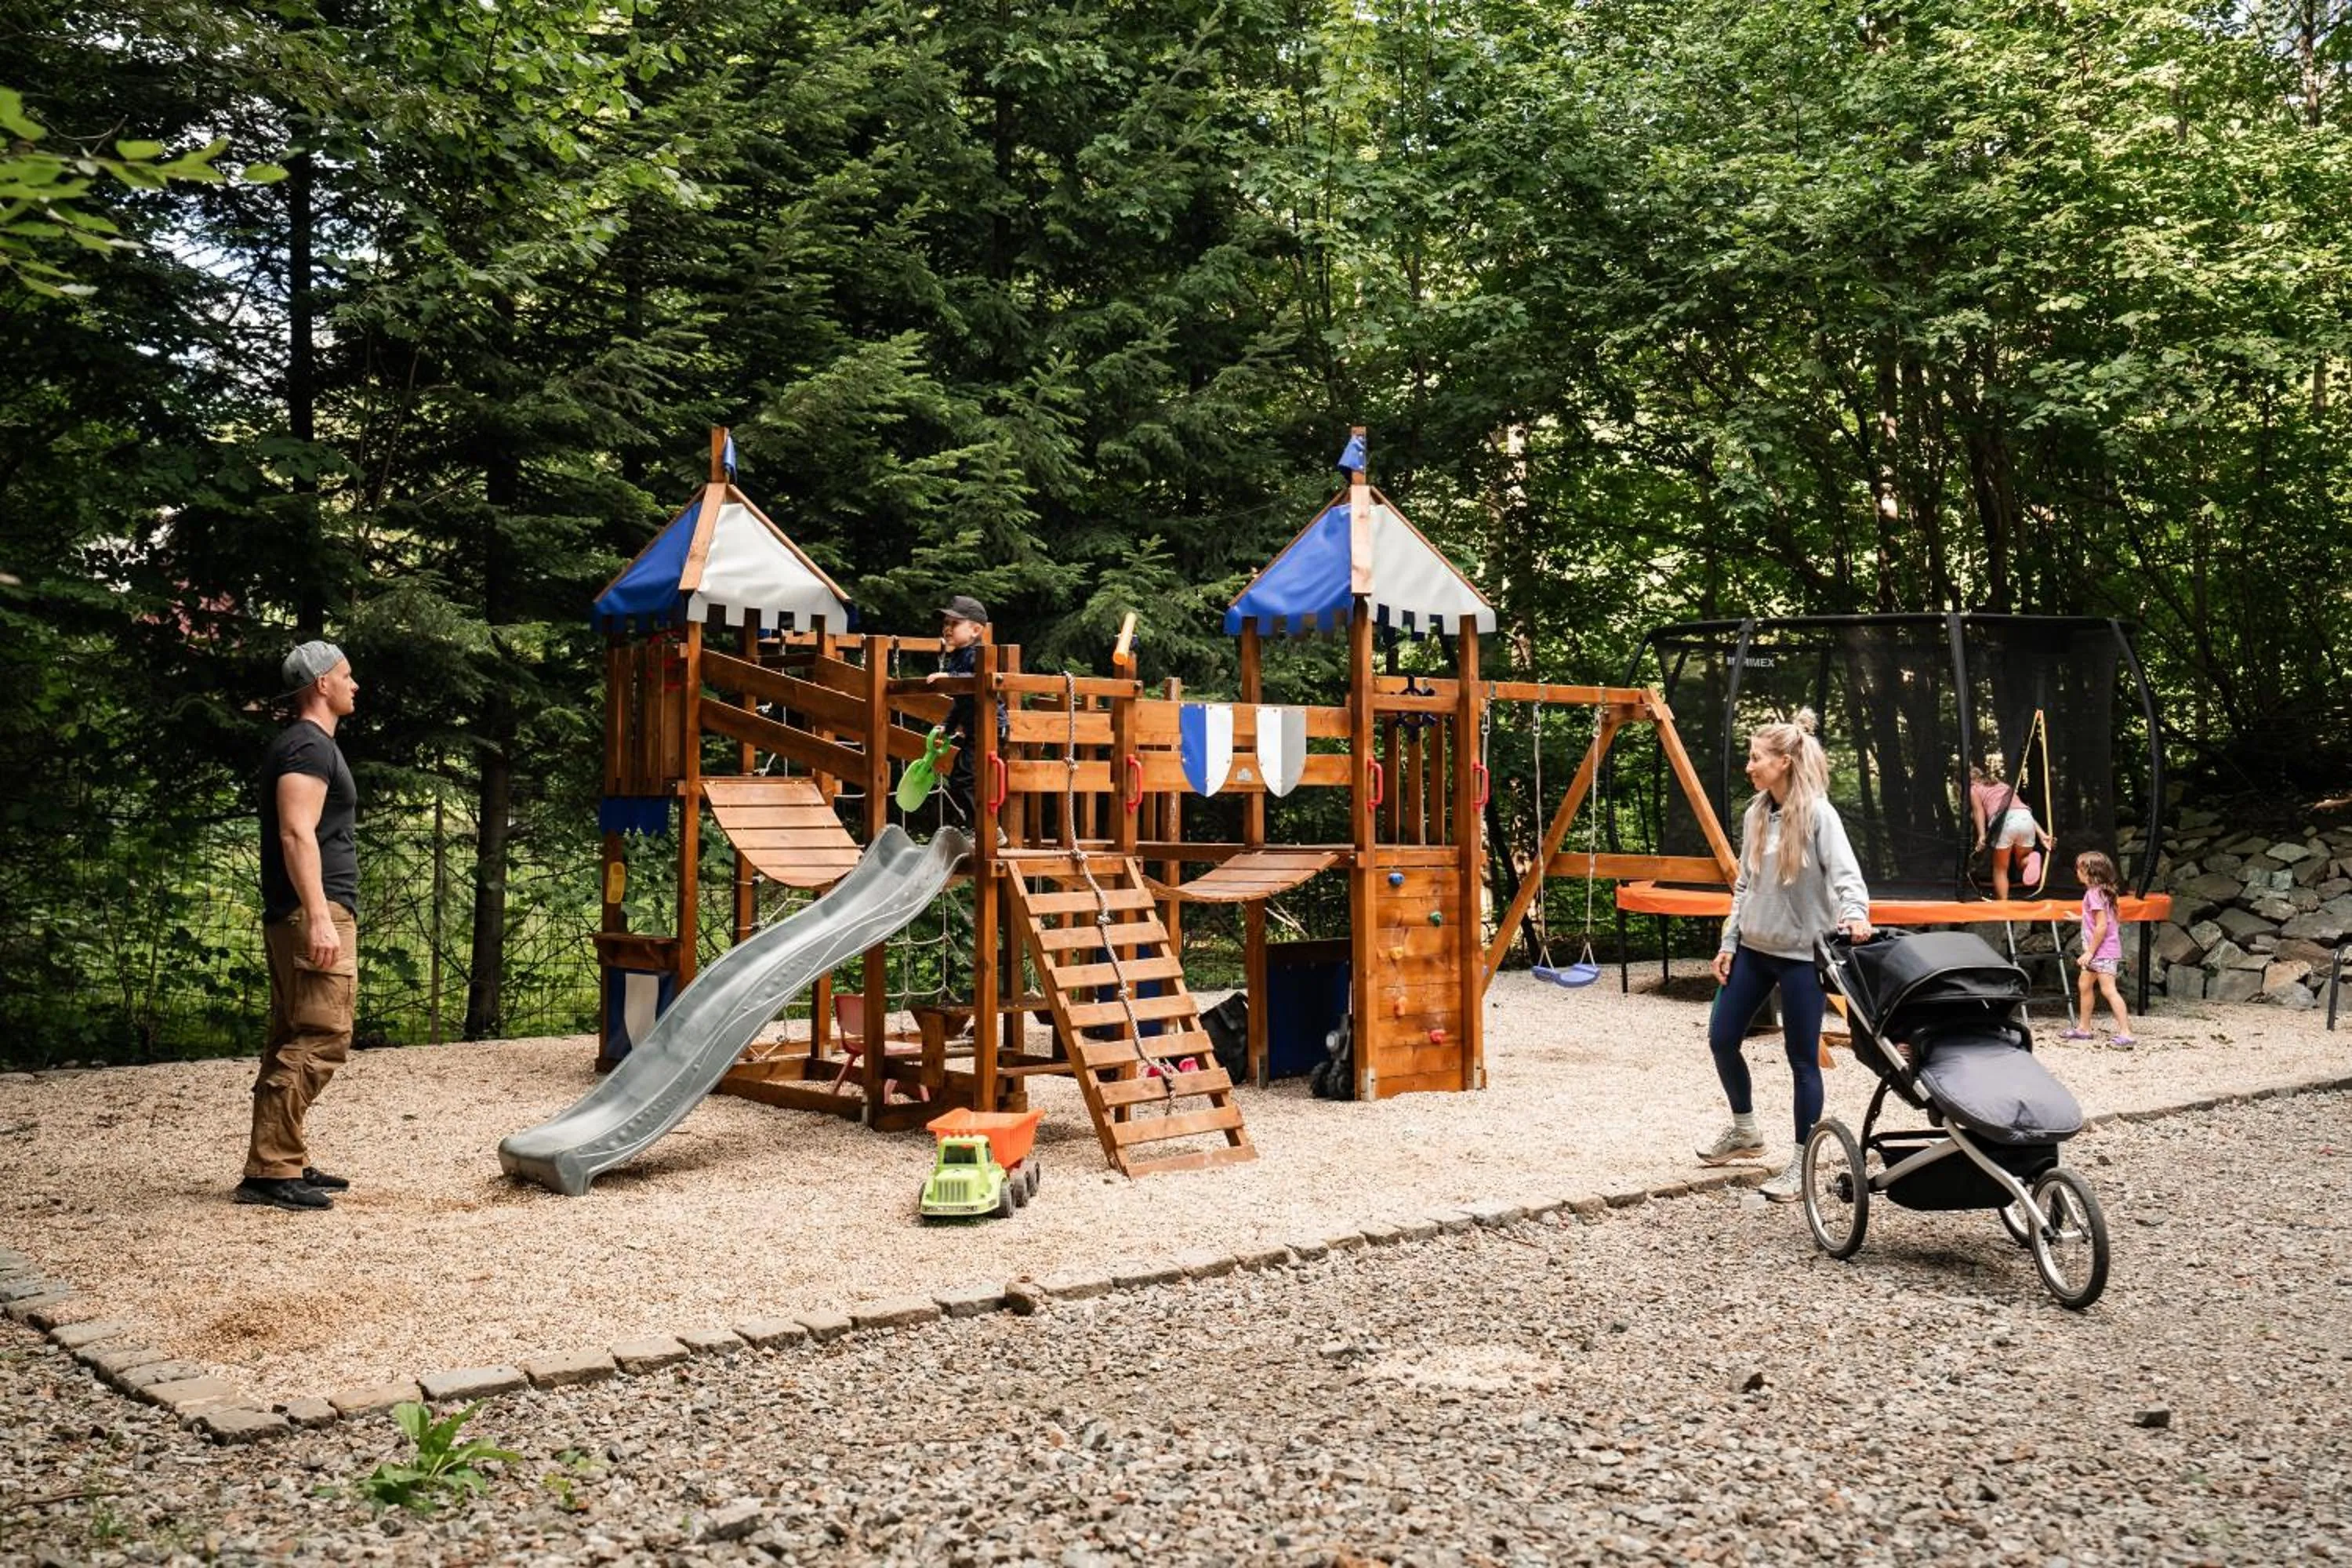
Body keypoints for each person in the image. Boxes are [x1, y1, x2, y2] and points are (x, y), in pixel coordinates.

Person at [1696, 709, 1874, 1202]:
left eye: (1757, 758)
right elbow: (1746, 884)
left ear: (1784, 763)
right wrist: (1729, 942)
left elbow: (1847, 877)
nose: (1750, 766)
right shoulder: (1756, 812)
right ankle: (1746, 1132)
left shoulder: (1819, 815)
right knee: (1722, 1037)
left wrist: (1856, 914)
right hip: (1753, 951)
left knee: (1802, 1060)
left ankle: (1801, 1163)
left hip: (1801, 957)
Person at [238, 641, 361, 1212]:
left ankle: (280, 1155)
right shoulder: (307, 749)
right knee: (321, 1035)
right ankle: (271, 1169)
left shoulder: (308, 746)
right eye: (346, 675)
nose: (353, 685)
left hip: (308, 909)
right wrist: (318, 916)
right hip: (312, 910)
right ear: (321, 686)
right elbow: (295, 833)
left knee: (293, 1034)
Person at [924, 594, 991, 831]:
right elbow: (961, 701)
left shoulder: (979, 654)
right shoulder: (958, 657)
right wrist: (947, 726)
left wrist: (949, 678)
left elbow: (979, 681)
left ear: (975, 630)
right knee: (961, 780)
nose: (947, 629)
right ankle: (982, 829)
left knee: (963, 780)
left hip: (991, 728)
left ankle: (985, 831)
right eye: (945, 624)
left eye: (954, 623)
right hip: (976, 728)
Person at [2061, 851, 2136, 1046]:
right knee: (2085, 986)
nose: (2077, 871)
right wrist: (2079, 918)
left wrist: (2089, 953)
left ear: (2090, 872)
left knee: (2109, 990)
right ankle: (2084, 1028)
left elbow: (2102, 926)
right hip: (2101, 951)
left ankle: (2126, 1033)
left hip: (2102, 952)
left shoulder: (2094, 894)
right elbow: (2101, 920)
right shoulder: (2103, 892)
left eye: (2080, 868)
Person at [1968, 758, 2053, 902]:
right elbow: (2020, 809)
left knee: (2000, 869)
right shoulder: (2004, 786)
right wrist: (2042, 834)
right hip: (2026, 819)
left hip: (2005, 822)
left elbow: (1978, 812)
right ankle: (2032, 859)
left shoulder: (1974, 788)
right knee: (2021, 862)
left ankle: (2003, 905)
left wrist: (1982, 835)